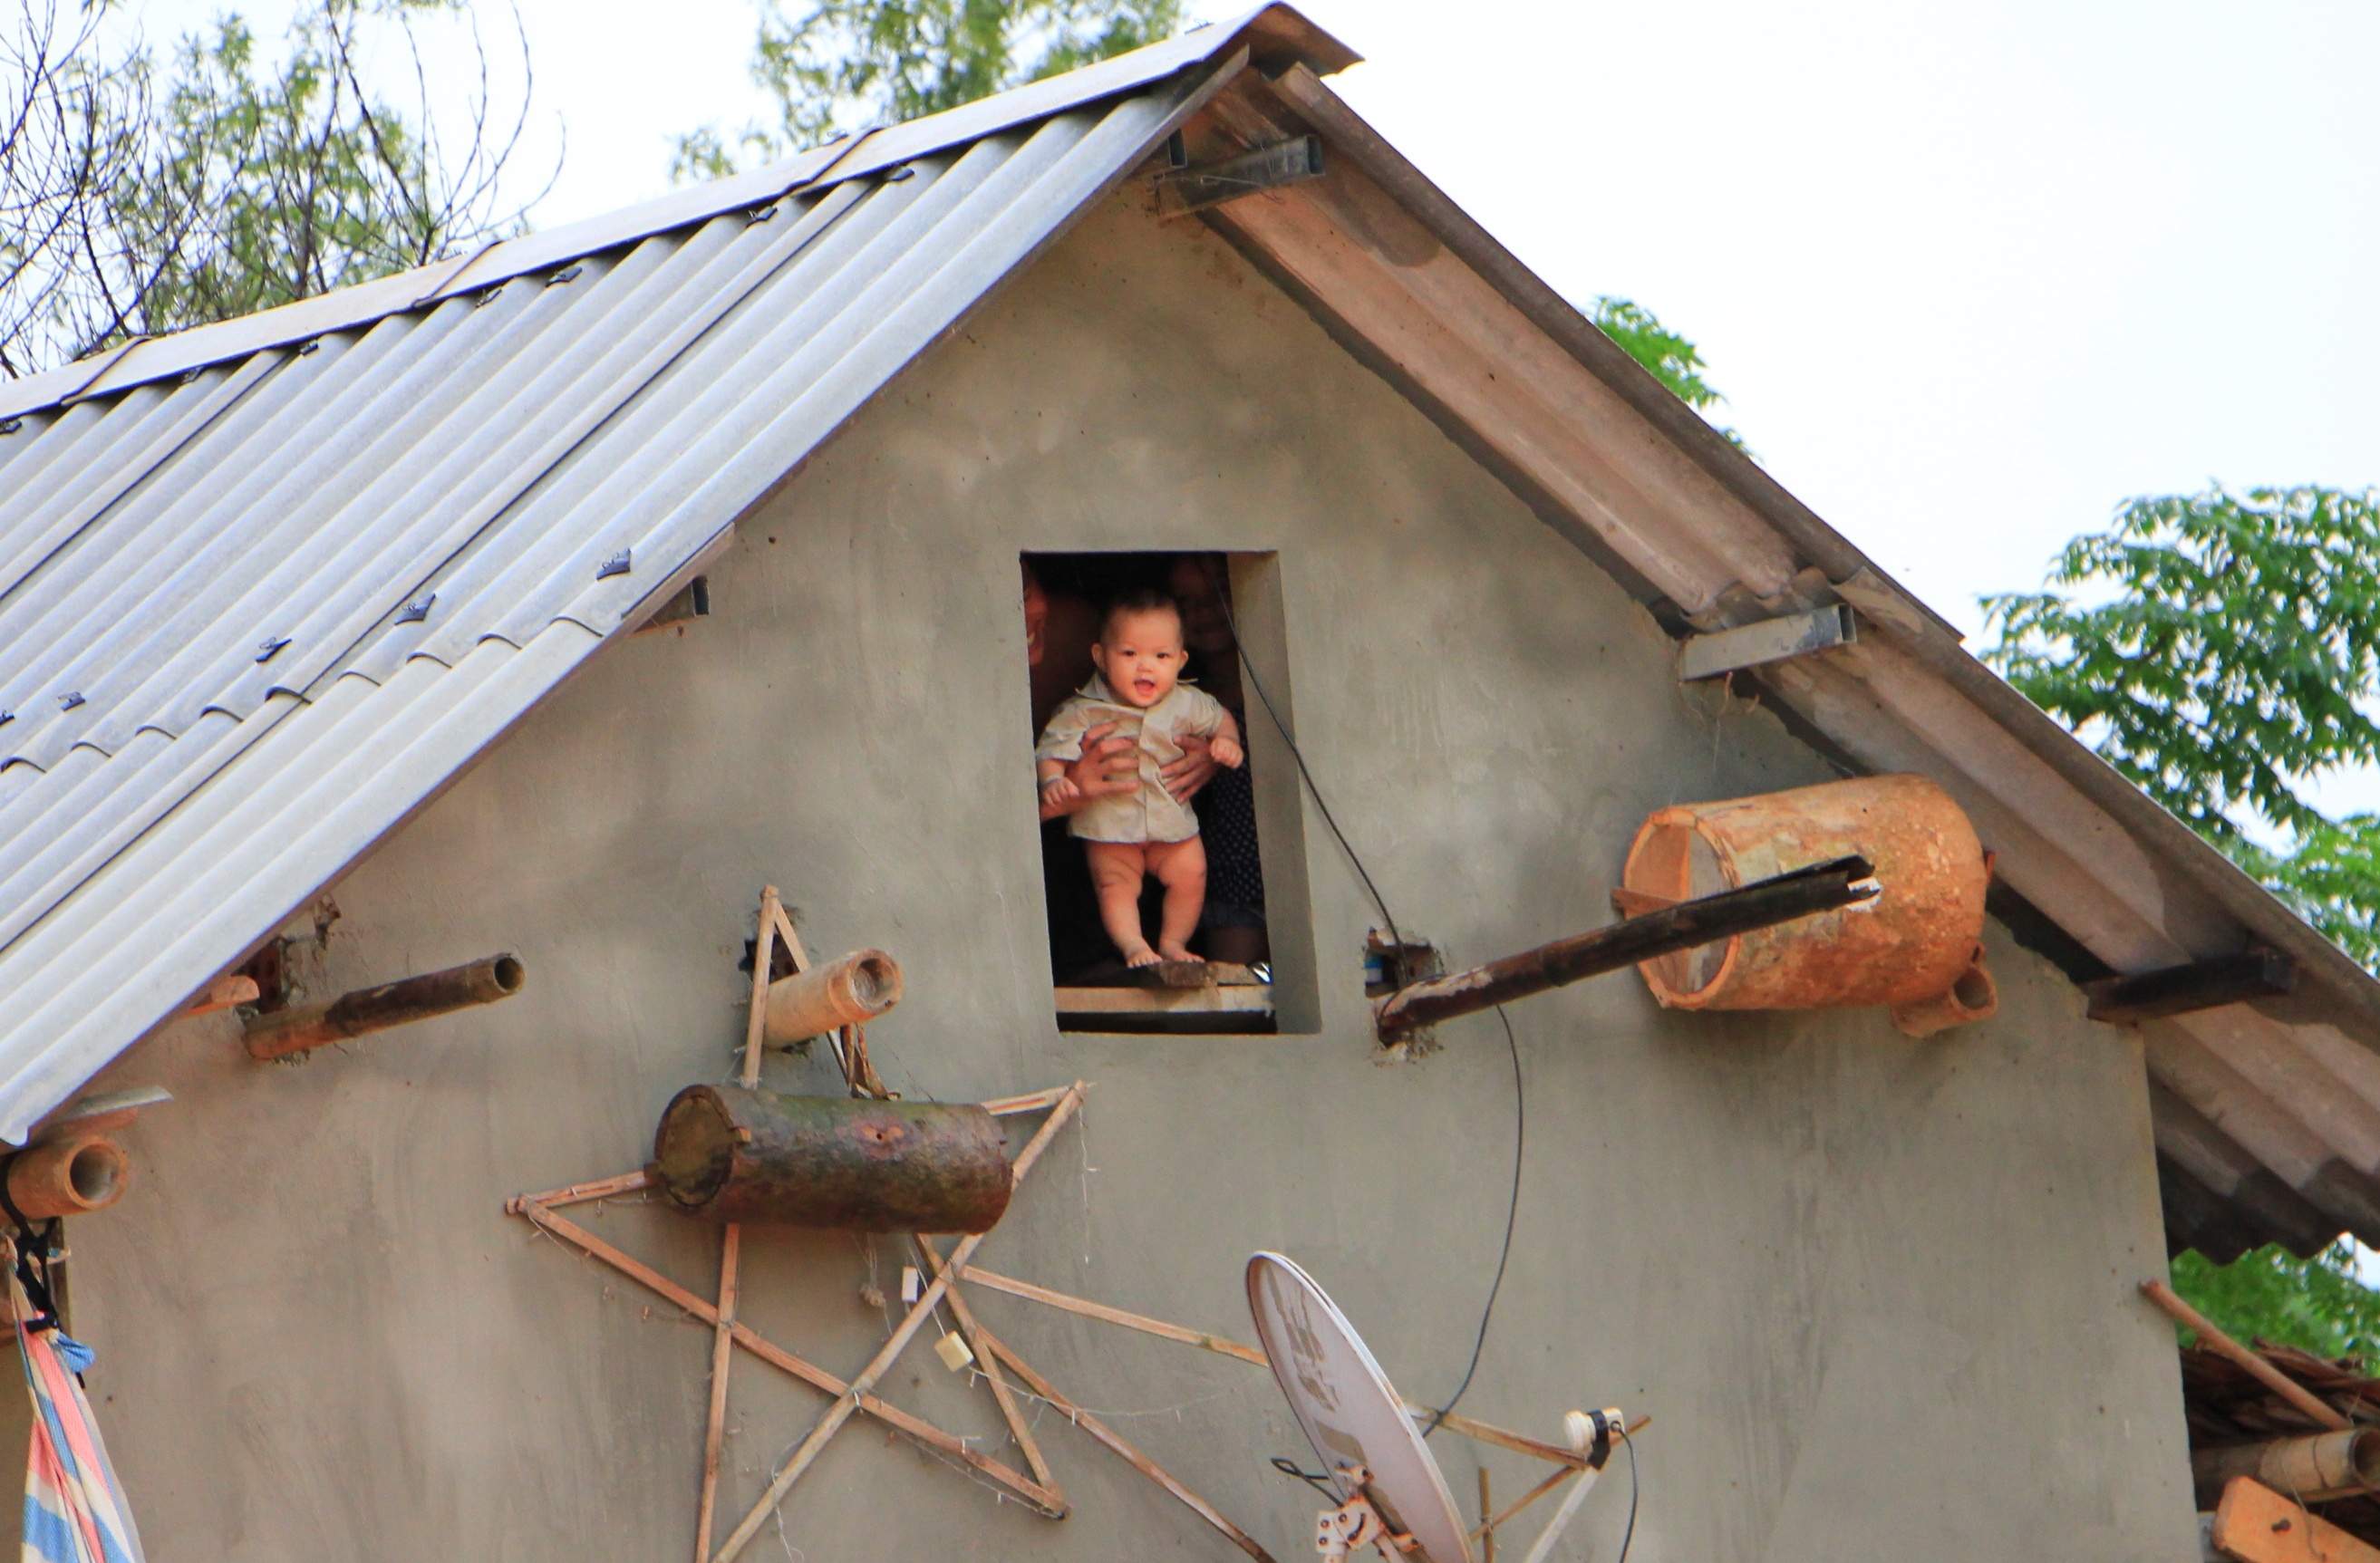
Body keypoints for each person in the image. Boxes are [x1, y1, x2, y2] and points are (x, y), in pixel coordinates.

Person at [1037, 589, 1244, 967]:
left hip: (1172, 823)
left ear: (1181, 661)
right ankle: (1133, 945)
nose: (1145, 667)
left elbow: (1220, 719)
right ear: (1100, 656)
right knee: (1115, 886)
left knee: (1192, 874)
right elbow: (1052, 748)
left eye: (1161, 656)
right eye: (1129, 654)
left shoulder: (1187, 702)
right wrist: (1053, 781)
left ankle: (1172, 943)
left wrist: (1227, 743)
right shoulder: (1084, 709)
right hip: (1110, 827)